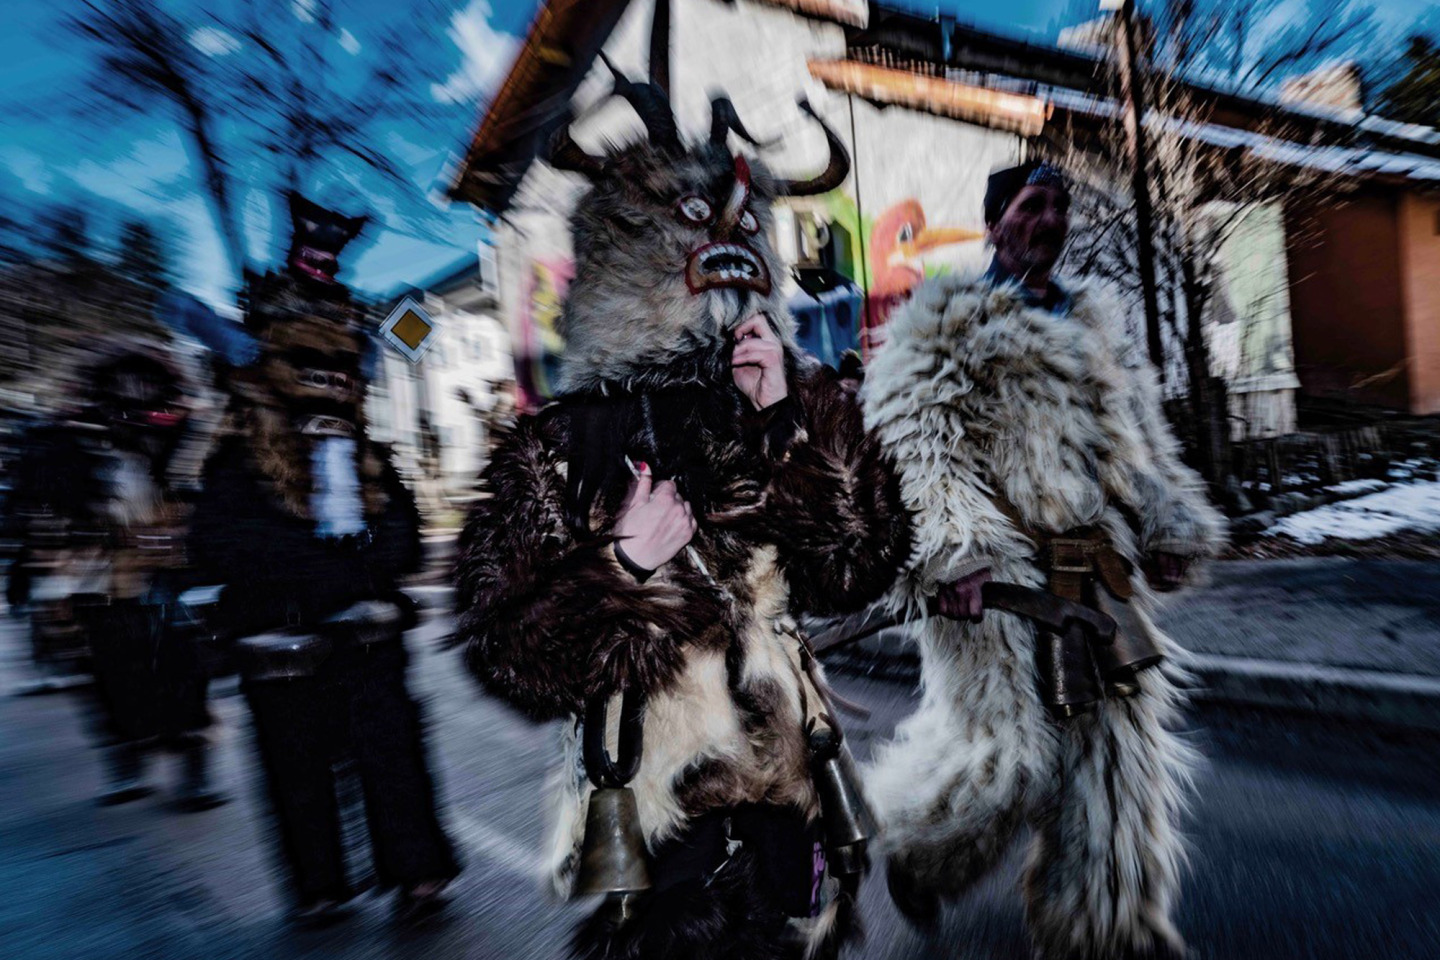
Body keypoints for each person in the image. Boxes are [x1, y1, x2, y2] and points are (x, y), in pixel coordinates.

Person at [453, 60, 911, 960]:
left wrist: (796, 425)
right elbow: (505, 650)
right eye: (699, 218)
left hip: (790, 788)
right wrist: (622, 570)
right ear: (638, 245)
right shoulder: (562, 445)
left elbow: (859, 567)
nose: (729, 243)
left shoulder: (785, 403)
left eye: (745, 221)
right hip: (657, 808)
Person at [861, 159, 1224, 959]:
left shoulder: (1097, 322)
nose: (1051, 220)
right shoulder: (943, 318)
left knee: (1116, 760)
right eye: (1033, 205)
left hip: (1097, 566)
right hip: (992, 581)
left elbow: (1138, 442)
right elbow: (916, 443)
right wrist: (955, 550)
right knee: (1007, 762)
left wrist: (1167, 525)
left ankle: (1100, 927)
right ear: (995, 223)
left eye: (1059, 207)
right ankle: (920, 853)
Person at [189, 193, 459, 923]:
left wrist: (377, 555)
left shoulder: (372, 460)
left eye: (337, 373)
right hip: (283, 637)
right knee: (296, 764)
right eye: (306, 368)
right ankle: (321, 886)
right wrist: (315, 572)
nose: (327, 386)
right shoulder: (237, 461)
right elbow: (211, 545)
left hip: (367, 636)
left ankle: (417, 871)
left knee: (393, 753)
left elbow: (405, 539)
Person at [5, 347, 220, 808]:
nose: (135, 402)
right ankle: (127, 755)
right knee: (111, 671)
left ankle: (192, 761)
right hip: (98, 575)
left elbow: (199, 489)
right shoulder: (69, 437)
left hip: (166, 569)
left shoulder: (180, 430)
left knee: (181, 666)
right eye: (124, 392)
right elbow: (40, 498)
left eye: (143, 392)